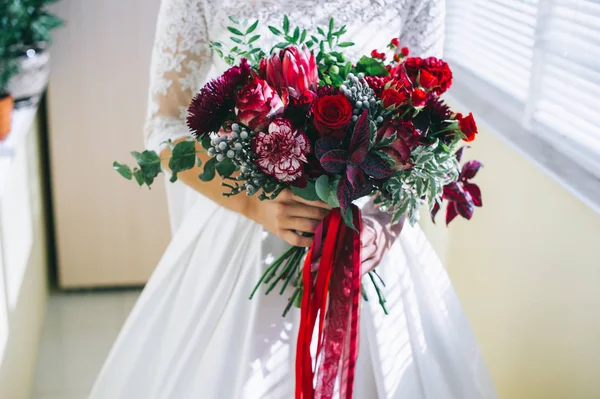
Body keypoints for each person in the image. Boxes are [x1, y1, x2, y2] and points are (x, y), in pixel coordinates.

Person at [90, 0, 497, 397]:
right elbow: (166, 124)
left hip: (367, 234)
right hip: (249, 228)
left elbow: (424, 120)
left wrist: (385, 227)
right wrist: (254, 204)